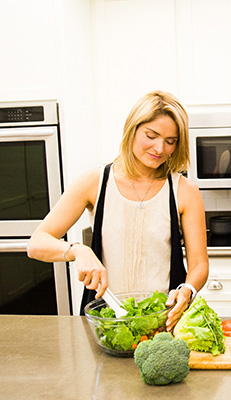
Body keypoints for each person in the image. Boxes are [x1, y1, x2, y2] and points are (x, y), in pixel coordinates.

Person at [27, 90, 209, 331]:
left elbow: (199, 265)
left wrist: (188, 290)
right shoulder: (95, 182)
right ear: (132, 129)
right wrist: (77, 251)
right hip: (107, 323)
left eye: (170, 141)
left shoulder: (184, 191)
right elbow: (37, 243)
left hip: (164, 322)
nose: (159, 148)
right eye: (151, 135)